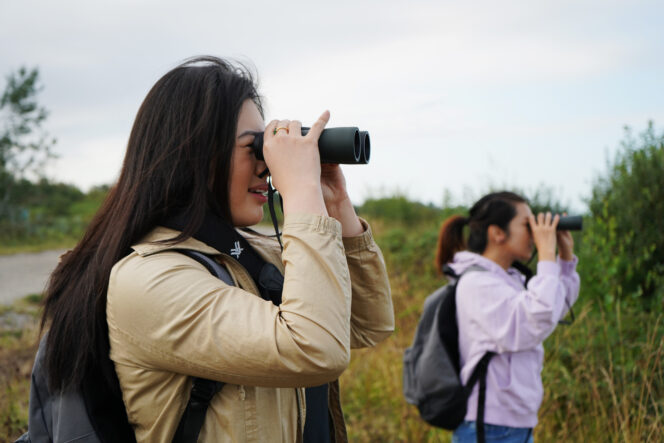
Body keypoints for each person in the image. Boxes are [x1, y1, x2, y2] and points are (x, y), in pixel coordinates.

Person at [39, 56, 394, 442]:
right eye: (253, 149)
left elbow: (366, 324)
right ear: (193, 154)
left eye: (268, 150)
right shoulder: (149, 279)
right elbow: (317, 349)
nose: (267, 168)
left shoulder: (251, 254)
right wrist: (301, 192)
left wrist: (334, 202)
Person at [434, 191, 579, 443]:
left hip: (514, 425)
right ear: (497, 233)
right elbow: (537, 319)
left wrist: (564, 260)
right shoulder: (477, 283)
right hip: (489, 427)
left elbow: (555, 308)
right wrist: (546, 255)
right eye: (527, 224)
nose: (535, 232)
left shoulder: (509, 279)